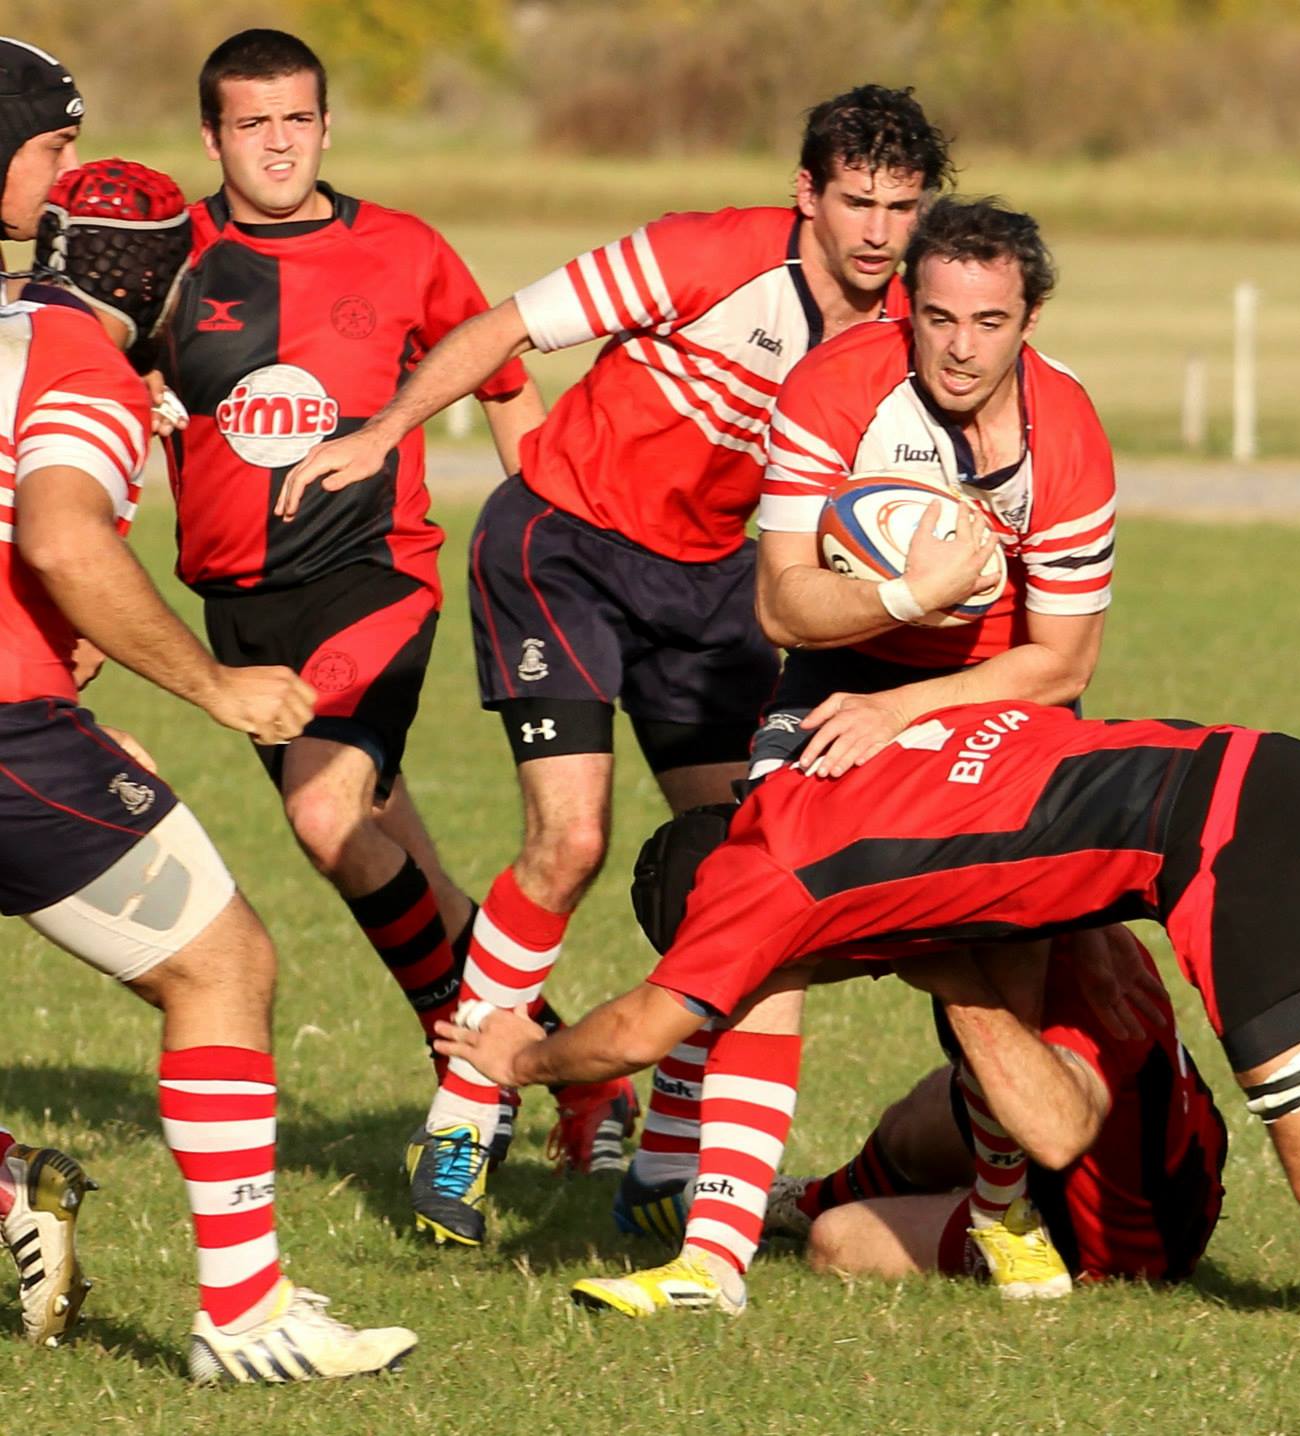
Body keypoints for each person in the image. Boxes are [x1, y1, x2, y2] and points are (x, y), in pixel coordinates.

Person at [439, 700, 1300, 1338]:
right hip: (1266, 773)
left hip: (1220, 843)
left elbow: (638, 1032)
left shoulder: (759, 882)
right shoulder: (839, 775)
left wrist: (523, 1056)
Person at [277, 85, 952, 1246]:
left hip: (714, 588)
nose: (878, 232)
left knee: (732, 867)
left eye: (901, 205)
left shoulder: (907, 325)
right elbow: (501, 330)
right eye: (855, 201)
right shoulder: (702, 255)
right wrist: (380, 433)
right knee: (570, 840)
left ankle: (668, 1155)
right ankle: (462, 1116)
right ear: (808, 191)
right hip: (563, 544)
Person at [617, 194, 1122, 1305]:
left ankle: (995, 1215)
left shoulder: (1070, 433)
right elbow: (785, 609)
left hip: (1001, 685)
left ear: (1028, 315)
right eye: (937, 315)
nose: (957, 344)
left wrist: (915, 709)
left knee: (1006, 947)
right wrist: (907, 594)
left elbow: (1064, 663)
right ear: (909, 305)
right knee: (766, 918)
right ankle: (711, 1255)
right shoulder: (835, 386)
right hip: (839, 669)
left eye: (987, 321)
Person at [0, 92, 413, 1378]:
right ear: (168, 283)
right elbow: (62, 535)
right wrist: (212, 687)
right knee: (221, 966)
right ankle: (242, 1311)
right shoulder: (89, 367)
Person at [152, 30, 595, 1204]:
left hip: (374, 581)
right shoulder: (171, 258)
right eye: (253, 123)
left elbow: (501, 378)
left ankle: (469, 1075)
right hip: (237, 610)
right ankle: (570, 1068)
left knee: (323, 811)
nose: (279, 142)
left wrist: (547, 535)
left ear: (328, 125)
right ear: (213, 138)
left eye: (298, 118)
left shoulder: (402, 249)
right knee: (401, 864)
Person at [573, 929, 1228, 1314]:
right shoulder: (1058, 913)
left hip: (1118, 1237)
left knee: (838, 1242)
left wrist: (946, 977)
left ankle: (990, 1219)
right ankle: (804, 1196)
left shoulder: (1066, 983)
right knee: (921, 1114)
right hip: (1164, 1141)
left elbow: (1057, 1132)